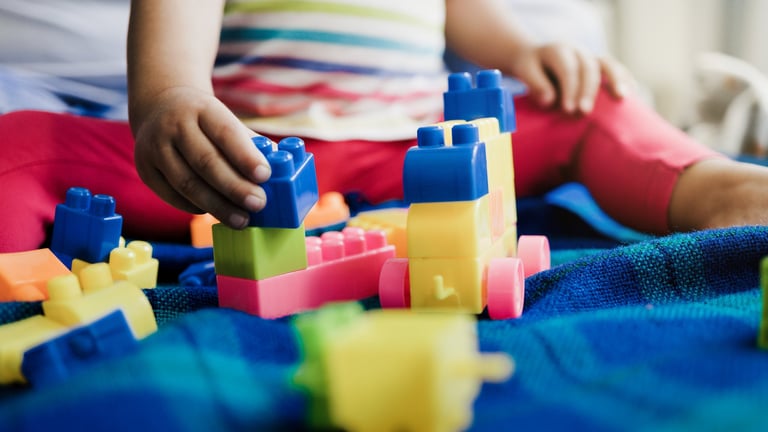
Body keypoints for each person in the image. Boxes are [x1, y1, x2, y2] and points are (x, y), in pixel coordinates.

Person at [1, 0, 767, 252]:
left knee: (588, 104)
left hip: (421, 146)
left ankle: (714, 186)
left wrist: (529, 52)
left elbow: (466, 14)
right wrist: (167, 98)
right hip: (242, 162)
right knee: (26, 146)